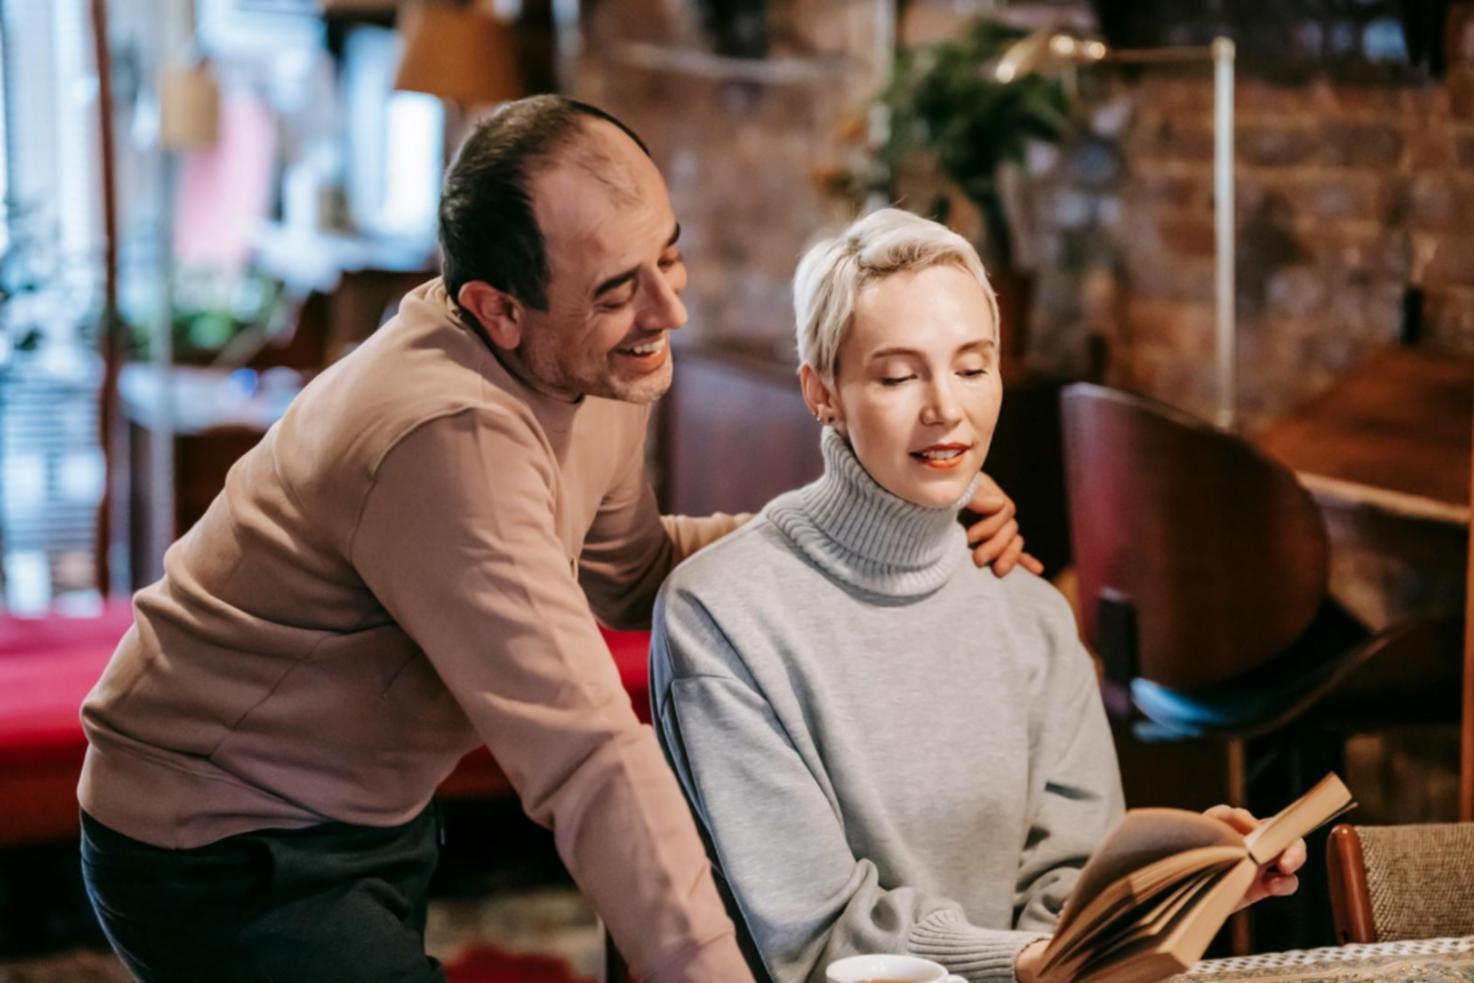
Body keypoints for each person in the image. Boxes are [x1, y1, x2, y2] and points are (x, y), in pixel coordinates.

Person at [77, 98, 1034, 983]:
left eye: (670, 257)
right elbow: (589, 760)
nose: (670, 311)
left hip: (372, 813)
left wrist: (892, 520)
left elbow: (629, 569)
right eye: (619, 290)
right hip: (216, 834)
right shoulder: (448, 443)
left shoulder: (590, 363)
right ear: (498, 308)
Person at [650, 208, 1308, 983]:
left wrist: (1167, 882)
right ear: (821, 391)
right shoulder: (720, 617)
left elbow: (1069, 891)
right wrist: (1028, 961)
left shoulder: (1032, 614)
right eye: (898, 376)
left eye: (972, 367)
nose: (946, 408)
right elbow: (819, 935)